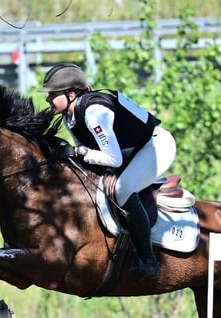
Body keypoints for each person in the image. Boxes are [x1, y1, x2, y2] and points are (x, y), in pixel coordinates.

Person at [40, 63, 176, 279]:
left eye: (52, 94)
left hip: (156, 147)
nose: (48, 100)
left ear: (71, 93)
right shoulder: (69, 116)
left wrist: (77, 151)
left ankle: (148, 260)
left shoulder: (94, 112)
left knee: (122, 190)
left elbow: (112, 158)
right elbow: (94, 154)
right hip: (129, 151)